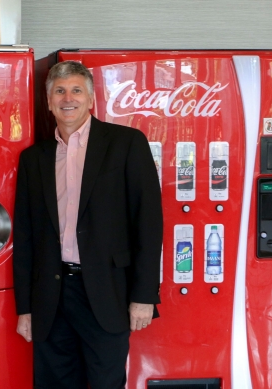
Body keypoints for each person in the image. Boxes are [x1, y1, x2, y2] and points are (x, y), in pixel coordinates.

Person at [13, 61, 163, 389]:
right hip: (51, 296)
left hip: (107, 292)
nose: (69, 98)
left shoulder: (126, 144)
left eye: (77, 90)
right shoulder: (33, 158)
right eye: (60, 91)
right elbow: (25, 237)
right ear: (49, 99)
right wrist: (25, 308)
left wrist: (144, 295)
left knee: (105, 383)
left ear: (91, 99)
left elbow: (149, 223)